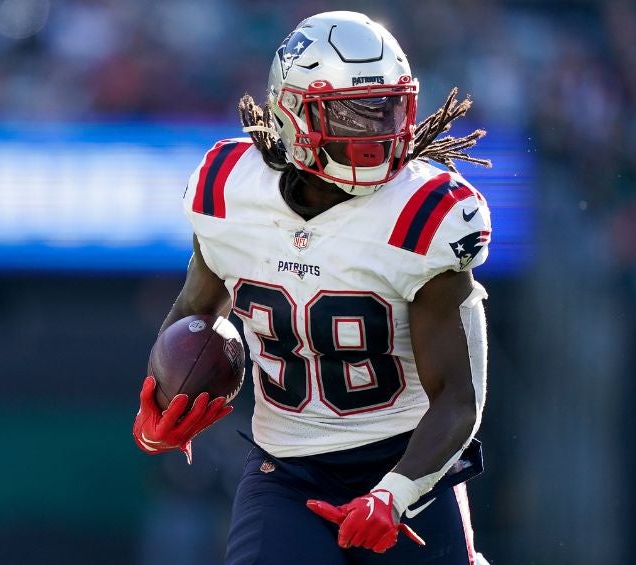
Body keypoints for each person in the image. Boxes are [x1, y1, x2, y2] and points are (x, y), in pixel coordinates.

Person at [132, 11, 492, 564]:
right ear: (292, 113)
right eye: (351, 115)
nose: (376, 134)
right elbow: (196, 311)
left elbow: (458, 401)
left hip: (405, 465)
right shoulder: (231, 191)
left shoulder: (424, 215)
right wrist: (164, 394)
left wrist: (393, 497)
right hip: (287, 471)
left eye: (387, 109)